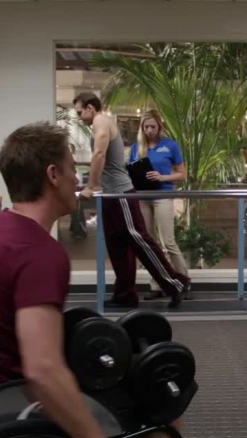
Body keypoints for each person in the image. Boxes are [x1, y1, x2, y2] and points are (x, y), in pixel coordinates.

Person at [0, 122, 179, 438]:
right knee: (164, 388)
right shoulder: (38, 253)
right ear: (53, 175)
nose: (77, 179)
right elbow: (42, 370)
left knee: (124, 380)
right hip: (17, 400)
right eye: (72, 168)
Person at [74, 93, 189, 309]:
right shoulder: (98, 124)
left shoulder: (101, 122)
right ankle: (125, 294)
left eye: (80, 112)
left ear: (90, 108)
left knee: (140, 241)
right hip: (111, 195)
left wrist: (91, 186)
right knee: (117, 246)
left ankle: (176, 283)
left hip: (121, 194)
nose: (79, 117)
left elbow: (99, 154)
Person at [128, 110, 189, 301]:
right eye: (146, 127)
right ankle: (157, 285)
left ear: (159, 127)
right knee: (149, 244)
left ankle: (184, 281)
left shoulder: (170, 145)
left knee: (168, 242)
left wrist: (162, 177)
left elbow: (182, 175)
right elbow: (131, 172)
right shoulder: (136, 148)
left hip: (163, 195)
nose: (149, 130)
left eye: (152, 126)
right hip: (143, 196)